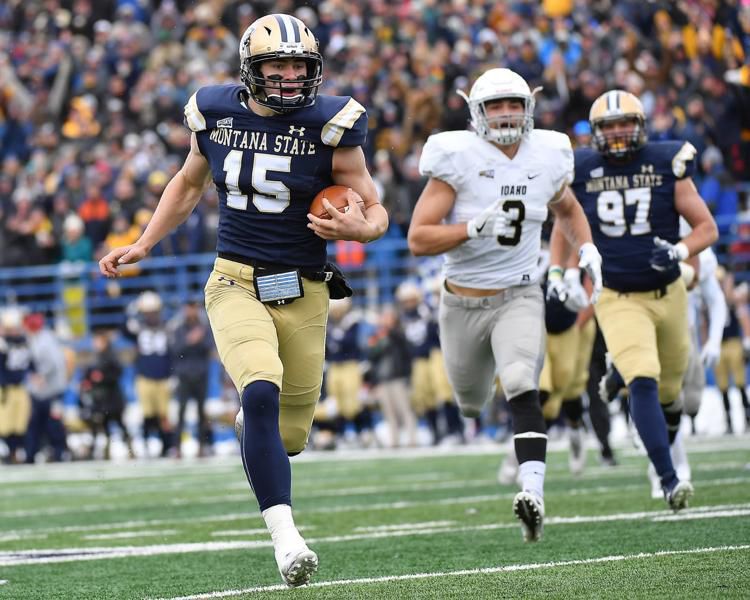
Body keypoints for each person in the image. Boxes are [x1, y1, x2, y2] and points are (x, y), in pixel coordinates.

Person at [99, 13, 388, 588]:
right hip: (234, 279)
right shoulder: (215, 111)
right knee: (259, 386)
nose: (288, 76)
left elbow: (376, 209)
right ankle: (286, 537)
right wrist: (144, 242)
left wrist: (359, 231)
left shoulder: (332, 123)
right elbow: (186, 184)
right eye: (276, 65)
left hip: (305, 288)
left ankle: (253, 431)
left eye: (298, 66)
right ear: (249, 70)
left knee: (289, 437)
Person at [407, 67, 602, 543]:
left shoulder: (547, 154)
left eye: (513, 103)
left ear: (528, 107)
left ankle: (532, 491)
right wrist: (469, 229)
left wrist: (586, 248)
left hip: (519, 291)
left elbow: (567, 207)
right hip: (462, 301)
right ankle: (497, 427)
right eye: (495, 105)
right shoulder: (458, 158)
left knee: (520, 380)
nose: (506, 113)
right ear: (477, 113)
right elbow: (417, 238)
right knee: (471, 403)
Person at [561, 89, 718, 511]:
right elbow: (563, 222)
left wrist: (682, 251)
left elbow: (706, 227)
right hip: (617, 293)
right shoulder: (581, 168)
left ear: (641, 125)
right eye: (607, 126)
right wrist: (564, 271)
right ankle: (669, 481)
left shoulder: (668, 161)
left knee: (672, 396)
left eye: (624, 123)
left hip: (669, 292)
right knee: (644, 380)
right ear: (595, 132)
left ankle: (623, 375)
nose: (616, 132)